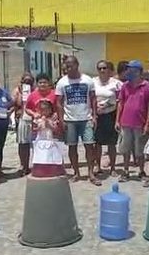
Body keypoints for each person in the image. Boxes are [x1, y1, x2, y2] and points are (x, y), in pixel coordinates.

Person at [55, 55, 100, 186]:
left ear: (77, 65)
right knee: (72, 146)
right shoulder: (62, 82)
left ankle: (91, 172)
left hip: (86, 118)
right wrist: (61, 119)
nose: (68, 68)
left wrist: (95, 115)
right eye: (66, 66)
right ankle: (76, 172)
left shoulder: (87, 80)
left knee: (89, 146)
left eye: (70, 65)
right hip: (70, 119)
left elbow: (93, 99)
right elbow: (59, 103)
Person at [115, 60, 149, 182]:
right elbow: (121, 103)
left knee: (139, 149)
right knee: (125, 148)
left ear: (139, 72)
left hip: (140, 123)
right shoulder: (125, 86)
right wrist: (117, 120)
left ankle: (141, 171)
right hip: (125, 122)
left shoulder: (147, 87)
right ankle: (126, 171)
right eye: (128, 69)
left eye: (132, 69)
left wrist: (147, 123)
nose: (129, 72)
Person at [93, 60, 121, 177]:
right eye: (100, 68)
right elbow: (90, 98)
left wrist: (118, 119)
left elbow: (120, 101)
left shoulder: (116, 83)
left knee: (111, 143)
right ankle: (98, 166)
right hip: (97, 115)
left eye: (105, 68)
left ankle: (113, 168)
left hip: (111, 115)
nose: (102, 70)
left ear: (109, 69)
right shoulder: (92, 82)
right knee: (97, 143)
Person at [31, 100, 66, 177]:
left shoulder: (53, 119)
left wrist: (48, 124)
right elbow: (34, 130)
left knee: (51, 155)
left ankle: (55, 170)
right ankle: (41, 170)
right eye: (42, 110)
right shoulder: (37, 119)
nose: (45, 112)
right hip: (40, 138)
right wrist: (38, 127)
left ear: (50, 110)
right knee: (41, 154)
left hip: (50, 138)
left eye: (47, 109)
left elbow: (56, 130)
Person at [13, 72, 35, 176]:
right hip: (23, 118)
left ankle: (37, 165)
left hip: (34, 119)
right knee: (23, 144)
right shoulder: (18, 90)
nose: (28, 83)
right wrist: (21, 93)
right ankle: (24, 166)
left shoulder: (36, 90)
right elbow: (15, 103)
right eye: (25, 81)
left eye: (29, 81)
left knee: (35, 143)